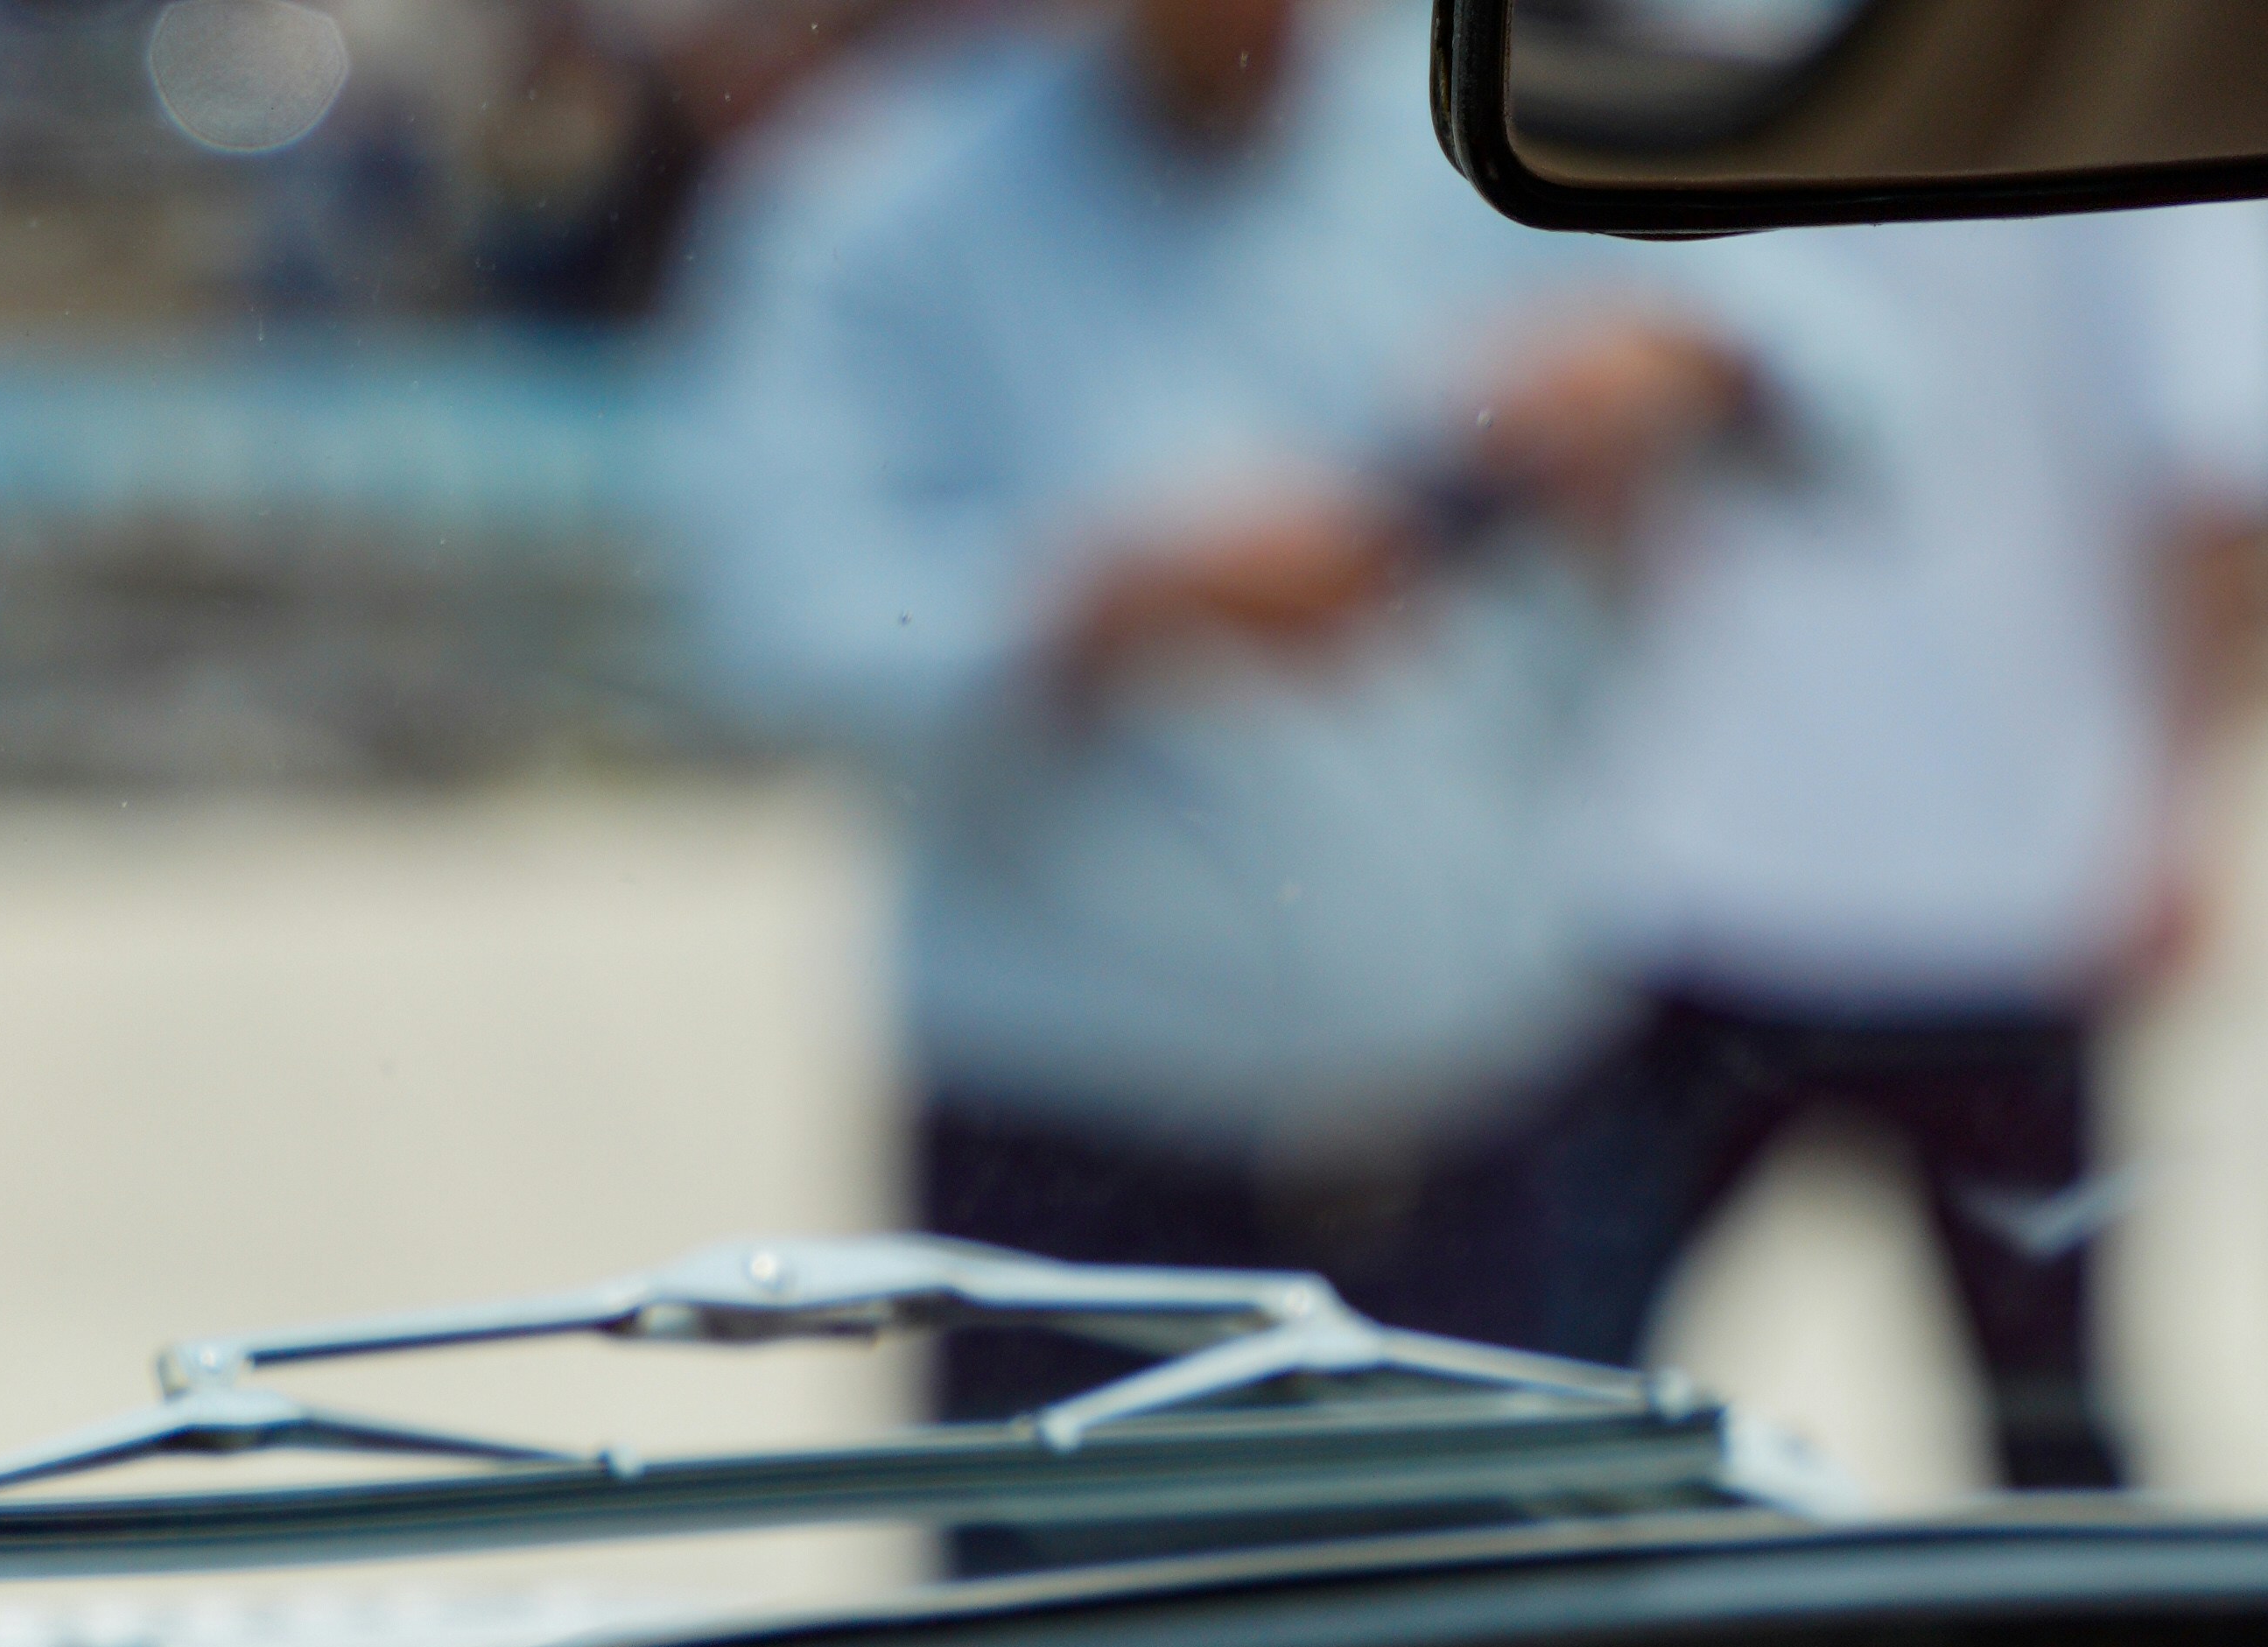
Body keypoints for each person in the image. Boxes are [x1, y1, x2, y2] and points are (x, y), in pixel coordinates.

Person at [671, 0, 1873, 1391]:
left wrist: (1686, 360)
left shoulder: (1491, 135)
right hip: (1072, 1175)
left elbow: (1871, 401)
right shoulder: (876, 195)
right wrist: (1108, 606)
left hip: (1484, 1147)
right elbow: (769, 622)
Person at [1525, 213, 2268, 1486]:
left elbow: (2212, 488)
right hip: (1760, 878)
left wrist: (2168, 806)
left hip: (1946, 889)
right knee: (1567, 1395)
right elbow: (2212, 483)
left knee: (1575, 1400)